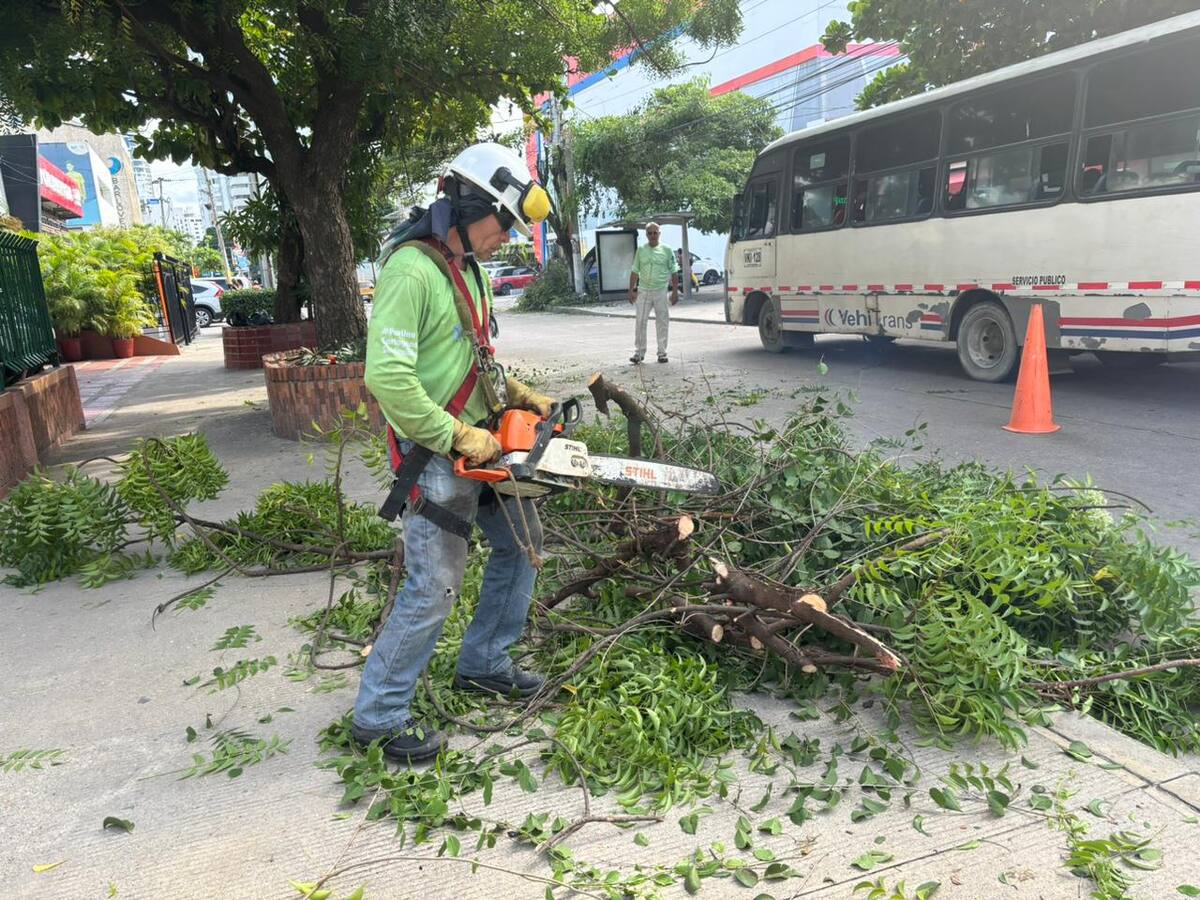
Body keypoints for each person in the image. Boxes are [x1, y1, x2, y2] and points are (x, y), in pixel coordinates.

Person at [351, 142, 555, 764]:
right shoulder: (411, 271)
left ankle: (484, 662)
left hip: (481, 440)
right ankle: (379, 716)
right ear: (469, 204)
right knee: (435, 583)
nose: (506, 240)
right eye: (504, 225)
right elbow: (388, 380)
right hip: (435, 450)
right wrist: (456, 435)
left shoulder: (465, 266)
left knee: (524, 545)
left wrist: (513, 393)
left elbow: (470, 353)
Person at [628, 222, 680, 364]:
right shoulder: (641, 250)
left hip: (660, 291)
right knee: (640, 321)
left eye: (655, 233)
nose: (652, 235)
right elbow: (634, 270)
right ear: (646, 235)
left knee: (662, 321)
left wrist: (675, 292)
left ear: (659, 234)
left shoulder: (667, 250)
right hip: (643, 291)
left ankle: (662, 352)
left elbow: (674, 271)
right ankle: (639, 352)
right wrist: (631, 290)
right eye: (649, 233)